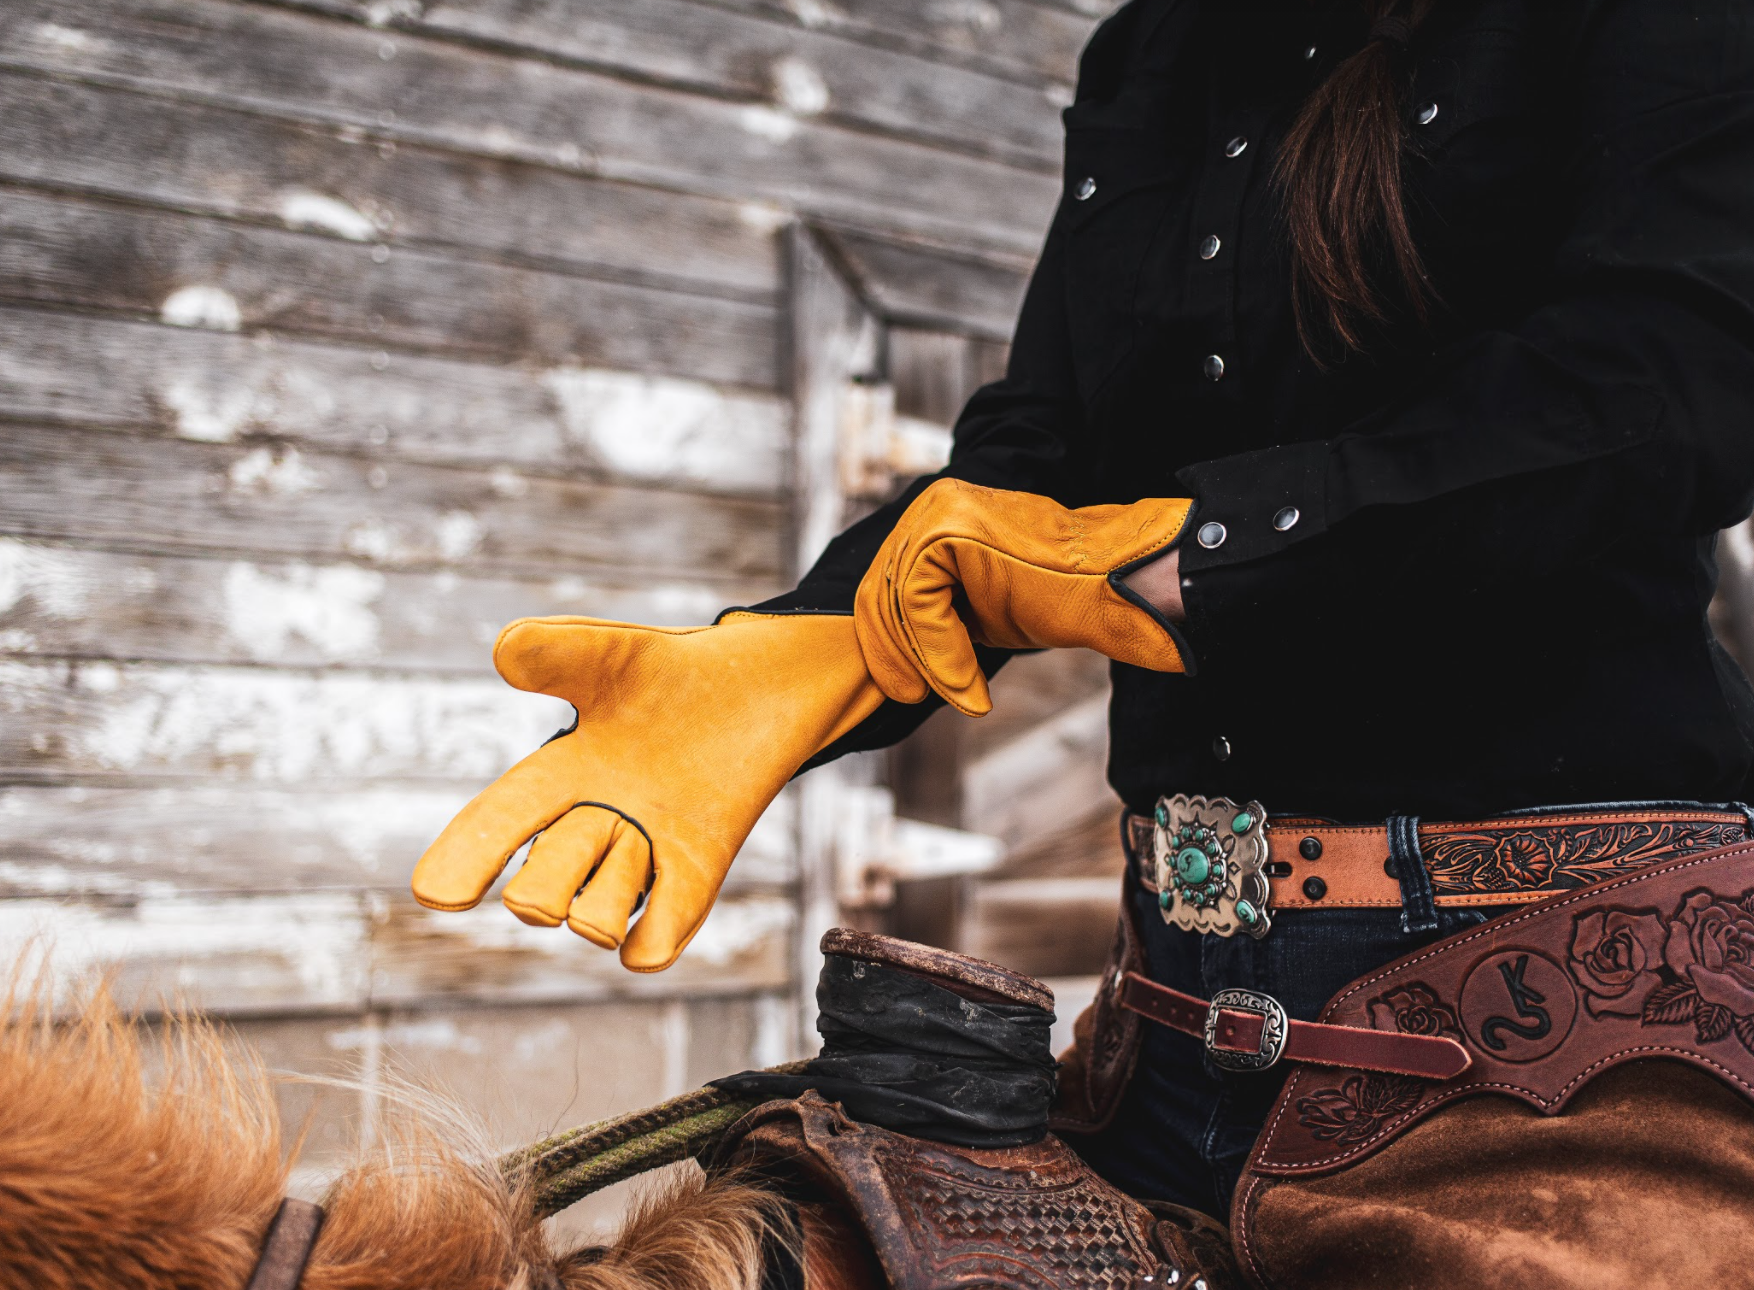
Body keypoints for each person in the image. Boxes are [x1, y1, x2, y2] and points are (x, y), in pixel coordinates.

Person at [412, 0, 1754, 1227]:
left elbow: (1671, 383)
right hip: (1158, 1025)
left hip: (1556, 1046)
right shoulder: (1153, 48)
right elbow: (1044, 441)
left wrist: (1183, 559)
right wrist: (808, 642)